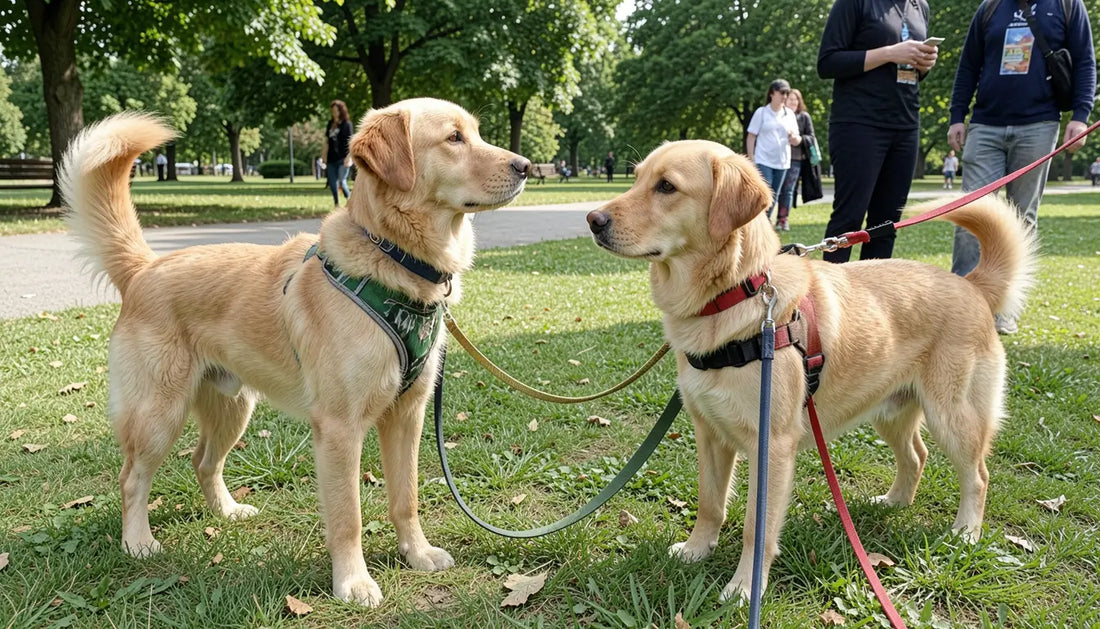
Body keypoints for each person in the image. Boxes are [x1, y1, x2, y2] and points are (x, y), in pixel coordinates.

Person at [948, 0, 1094, 334]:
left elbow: (1085, 61)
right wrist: (957, 116)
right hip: (986, 124)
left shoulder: (1068, 6)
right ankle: (960, 306)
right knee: (970, 211)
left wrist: (1081, 116)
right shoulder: (989, 8)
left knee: (1021, 216)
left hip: (1039, 123)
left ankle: (1003, 310)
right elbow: (968, 66)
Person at [817, 0, 937, 263]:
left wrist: (923, 64)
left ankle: (874, 300)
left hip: (905, 125)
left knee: (886, 224)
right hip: (859, 123)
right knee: (849, 219)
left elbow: (909, 70)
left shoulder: (920, 6)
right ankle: (830, 299)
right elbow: (827, 63)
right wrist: (890, 53)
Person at [746, 79, 801, 222]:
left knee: (774, 195)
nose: (784, 96)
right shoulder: (762, 112)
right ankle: (759, 222)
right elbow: (751, 137)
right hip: (763, 159)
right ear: (772, 93)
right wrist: (751, 158)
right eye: (782, 92)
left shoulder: (789, 114)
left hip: (782, 161)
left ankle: (765, 222)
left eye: (787, 93)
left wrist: (794, 138)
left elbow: (797, 139)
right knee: (765, 193)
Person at [775, 88, 815, 231]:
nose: (792, 101)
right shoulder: (779, 116)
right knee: (775, 189)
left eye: (795, 99)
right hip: (778, 158)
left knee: (788, 190)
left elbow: (811, 137)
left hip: (795, 159)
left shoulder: (803, 117)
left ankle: (783, 219)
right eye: (790, 99)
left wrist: (797, 139)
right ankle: (769, 219)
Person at [325, 100, 354, 209]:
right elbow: (327, 141)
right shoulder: (330, 124)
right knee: (332, 183)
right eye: (332, 111)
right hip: (331, 158)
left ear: (341, 111)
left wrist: (349, 157)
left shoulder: (347, 124)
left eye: (336, 110)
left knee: (342, 181)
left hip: (343, 158)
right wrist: (323, 155)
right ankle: (336, 204)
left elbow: (351, 141)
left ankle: (350, 202)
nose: (334, 113)